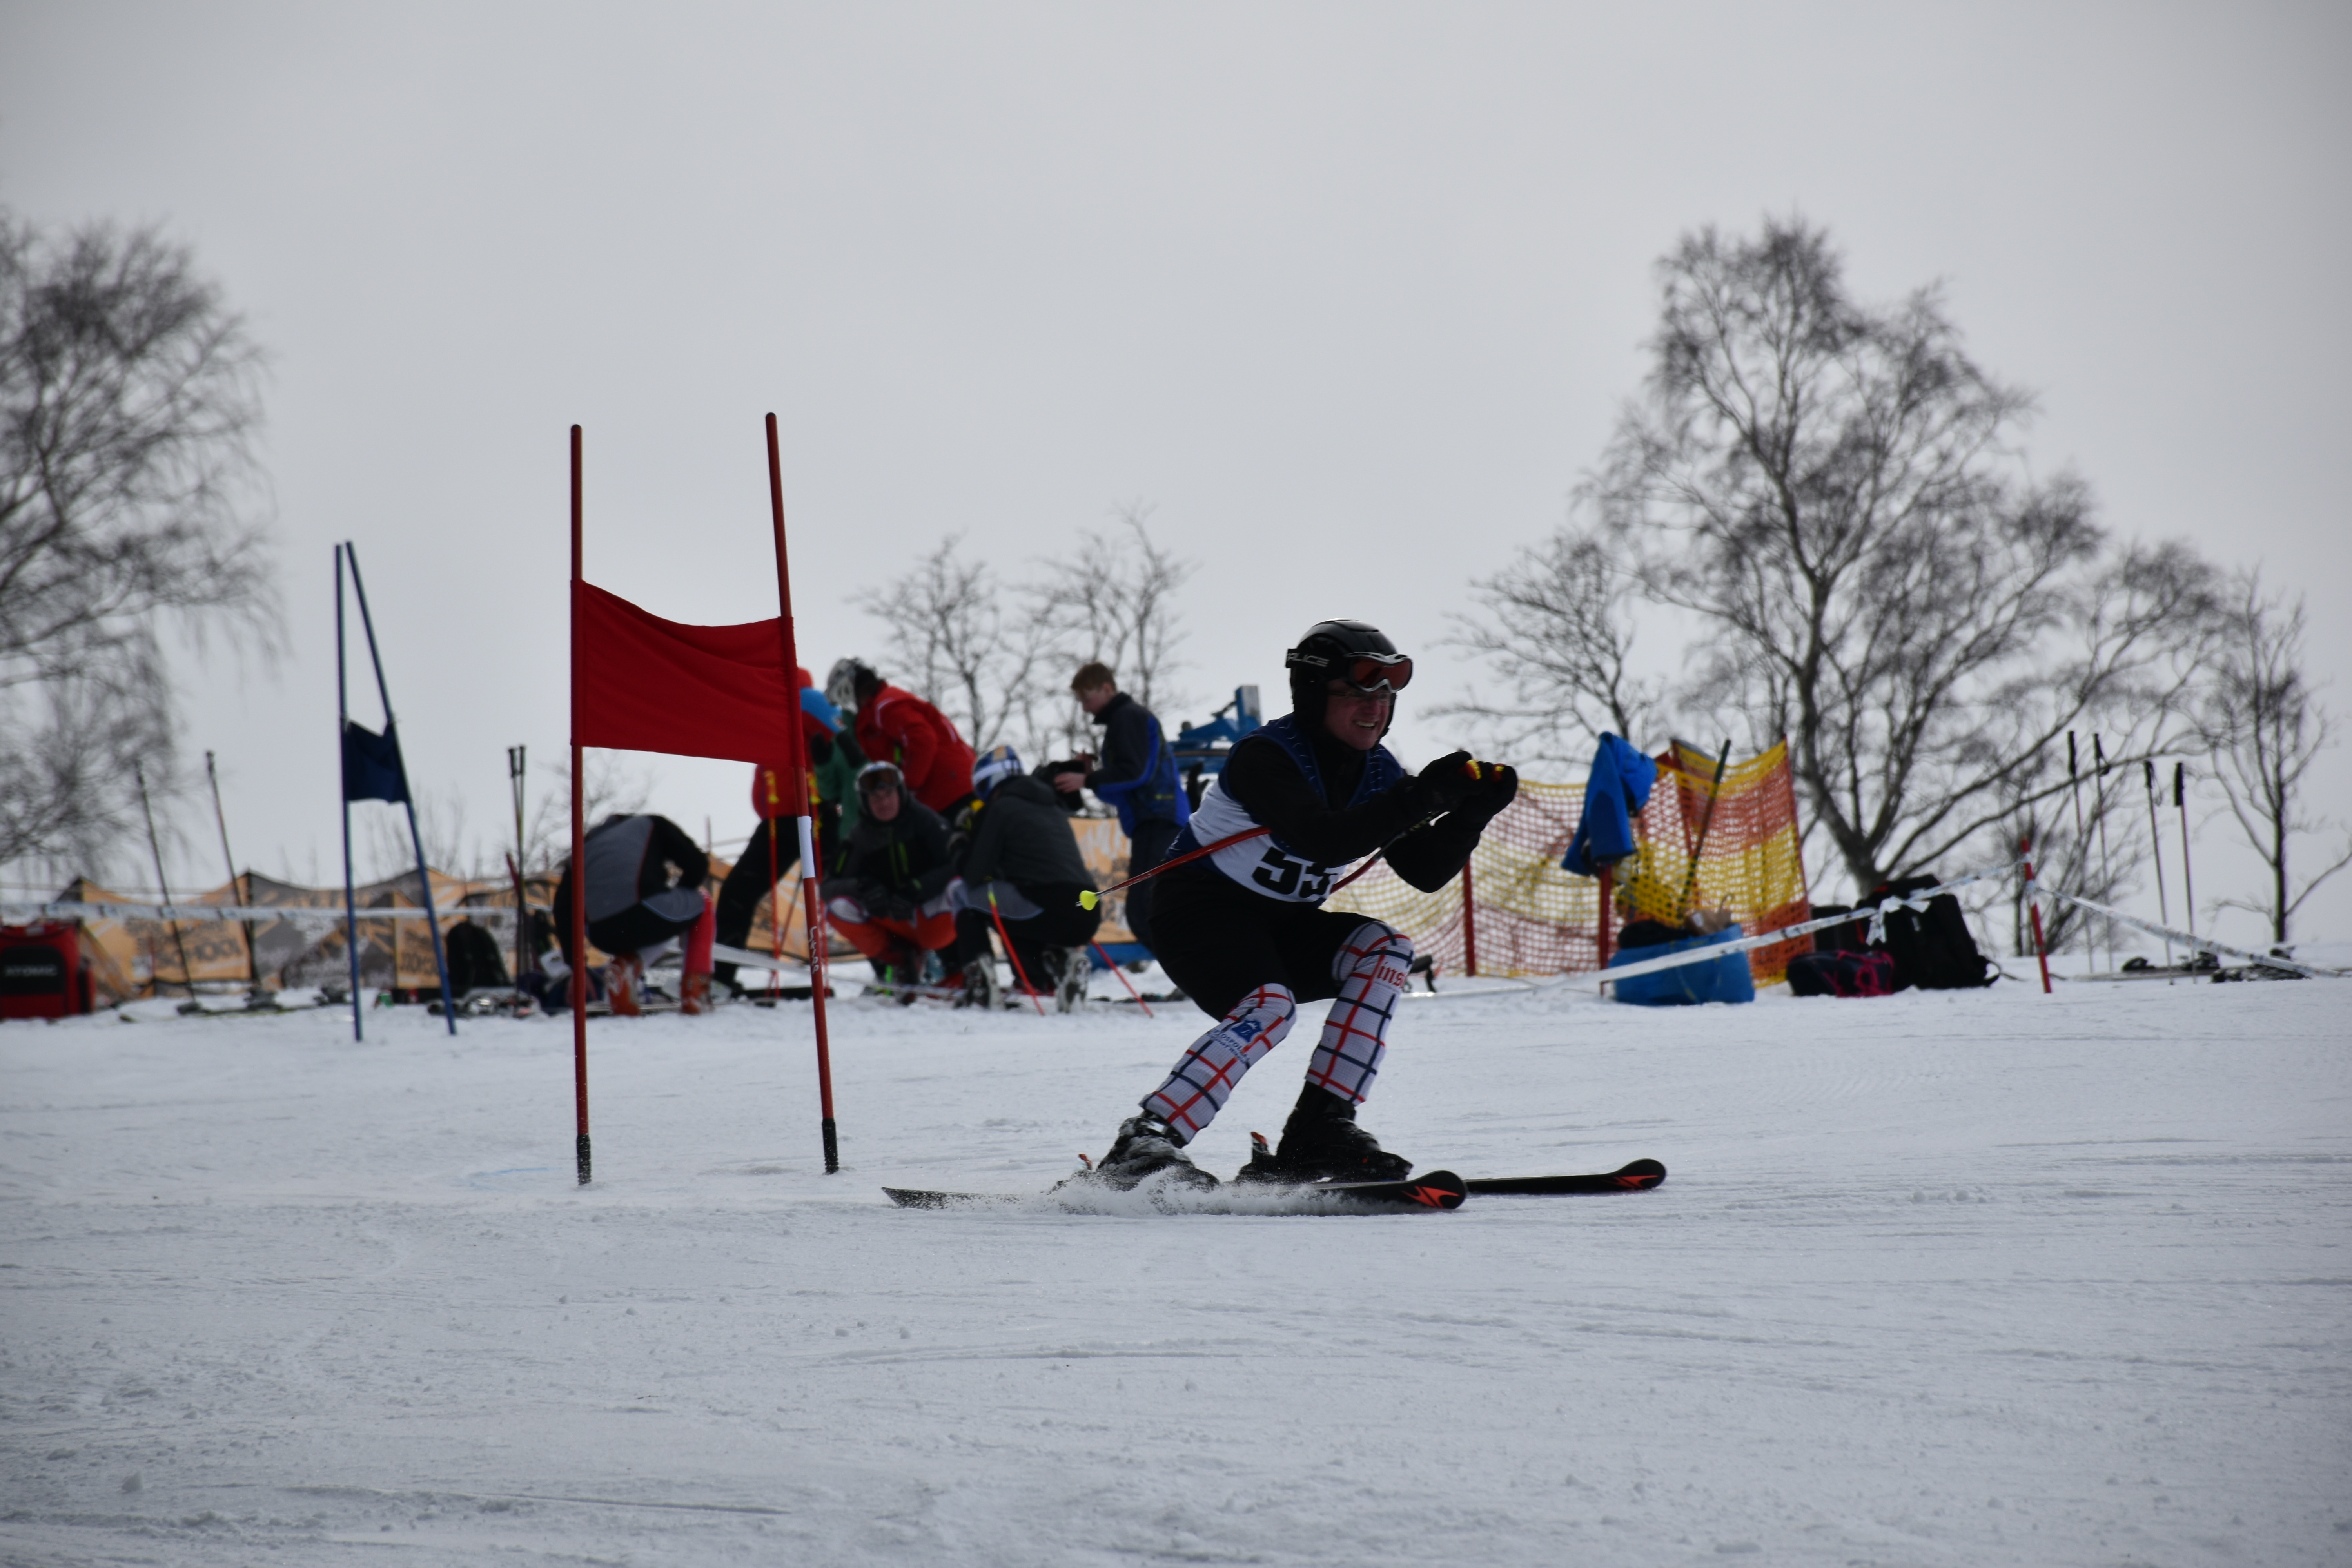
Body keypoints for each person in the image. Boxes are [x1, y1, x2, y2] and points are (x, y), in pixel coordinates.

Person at [1088, 619, 1517, 1190]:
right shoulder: (1266, 757)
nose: (1375, 709)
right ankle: (1145, 1138)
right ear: (1315, 695)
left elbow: (1425, 871)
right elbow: (1324, 839)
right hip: (1198, 914)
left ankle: (1320, 1130)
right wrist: (1424, 796)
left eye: (1386, 695)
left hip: (1281, 925)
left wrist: (1469, 816)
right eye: (1357, 694)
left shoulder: (1379, 772)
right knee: (1271, 1006)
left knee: (1386, 950)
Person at [713, 668, 864, 993]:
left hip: (816, 816)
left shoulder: (803, 699)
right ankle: (721, 978)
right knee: (737, 893)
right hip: (781, 823)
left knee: (845, 892)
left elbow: (840, 734)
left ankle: (894, 967)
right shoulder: (771, 716)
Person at [952, 744, 1104, 1010]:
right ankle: (1053, 968)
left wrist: (959, 844)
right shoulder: (1053, 806)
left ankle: (980, 982)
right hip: (1087, 910)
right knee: (1016, 906)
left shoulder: (1001, 808)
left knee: (962, 894)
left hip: (1045, 903)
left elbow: (974, 875)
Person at [1051, 662, 1188, 951]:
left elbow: (1135, 773)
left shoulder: (1128, 717)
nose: (1085, 708)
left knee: (1145, 912)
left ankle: (1196, 969)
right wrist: (1092, 777)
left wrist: (1088, 779)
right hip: (1154, 821)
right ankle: (1194, 968)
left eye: (1087, 699)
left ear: (1107, 689)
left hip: (1158, 819)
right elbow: (1126, 789)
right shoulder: (1123, 721)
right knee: (1149, 911)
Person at [552, 812, 715, 1016]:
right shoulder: (652, 824)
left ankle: (625, 969)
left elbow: (562, 907)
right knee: (702, 902)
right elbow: (698, 864)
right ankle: (696, 993)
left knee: (654, 918)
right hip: (644, 912)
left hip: (601, 932)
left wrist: (578, 968)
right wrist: (680, 895)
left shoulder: (585, 848)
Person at [827, 761, 960, 995]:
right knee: (838, 908)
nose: (884, 803)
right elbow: (828, 887)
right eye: (875, 798)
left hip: (930, 918)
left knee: (959, 888)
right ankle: (900, 963)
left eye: (888, 794)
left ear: (900, 793)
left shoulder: (926, 820)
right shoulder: (858, 837)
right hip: (893, 923)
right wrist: (863, 887)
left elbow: (957, 865)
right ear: (865, 802)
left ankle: (963, 969)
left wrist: (919, 888)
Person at [833, 660, 977, 818]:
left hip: (949, 792)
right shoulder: (884, 705)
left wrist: (908, 788)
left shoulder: (884, 707)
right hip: (954, 786)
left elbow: (921, 739)